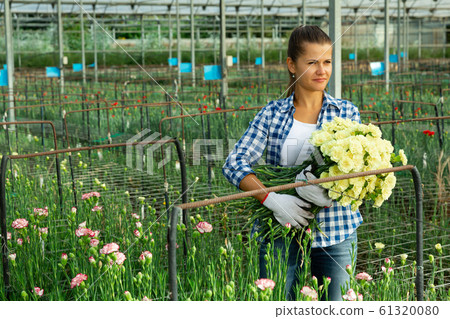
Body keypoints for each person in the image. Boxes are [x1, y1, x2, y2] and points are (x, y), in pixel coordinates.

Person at [222, 25, 363, 301]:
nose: (322, 70)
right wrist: (271, 199)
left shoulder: (346, 112)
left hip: (336, 231)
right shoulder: (272, 114)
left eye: (327, 61)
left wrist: (332, 190)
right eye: (312, 62)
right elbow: (234, 163)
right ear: (292, 65)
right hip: (280, 230)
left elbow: (358, 171)